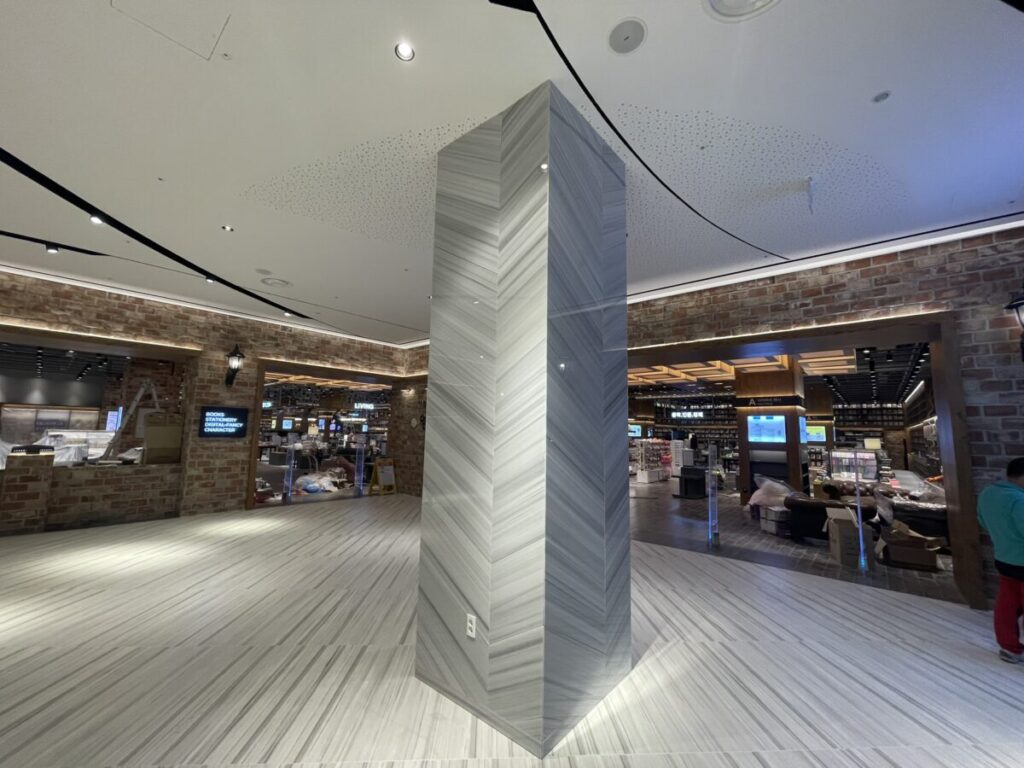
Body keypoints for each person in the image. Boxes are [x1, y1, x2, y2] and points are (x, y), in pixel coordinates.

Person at [977, 457, 1024, 664]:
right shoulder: (1019, 500)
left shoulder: (988, 493)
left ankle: (1009, 648)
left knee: (1007, 605)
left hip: (1003, 557)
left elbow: (982, 521)